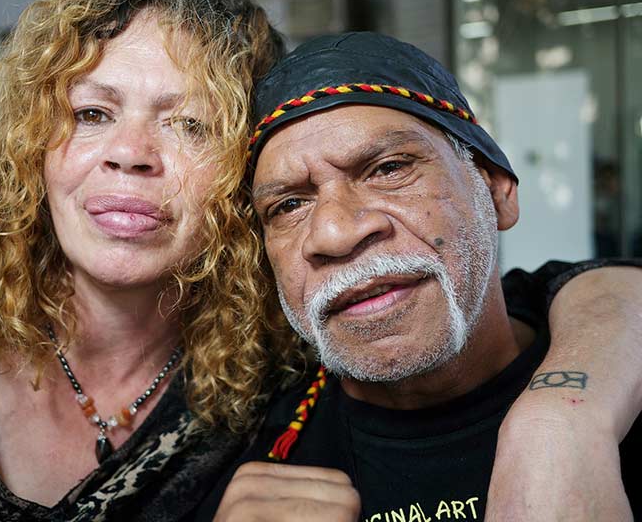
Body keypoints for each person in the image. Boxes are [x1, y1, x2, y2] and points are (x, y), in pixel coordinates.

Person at [0, 0, 639, 521]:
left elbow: (586, 287)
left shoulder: (259, 373)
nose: (336, 229)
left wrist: (565, 416)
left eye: (190, 124)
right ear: (31, 146)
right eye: (91, 112)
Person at [200, 32, 642, 521]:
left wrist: (559, 425)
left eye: (388, 168)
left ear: (497, 190)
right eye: (288, 205)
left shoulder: (616, 377)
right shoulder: (236, 460)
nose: (334, 232)